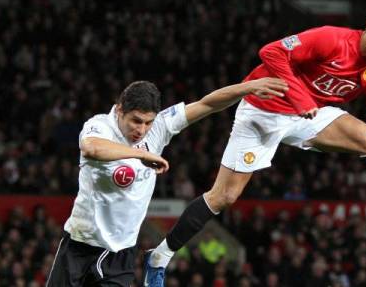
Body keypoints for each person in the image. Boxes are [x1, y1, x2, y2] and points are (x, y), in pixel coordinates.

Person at [144, 0, 366, 286]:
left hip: (309, 114)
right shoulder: (332, 38)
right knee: (223, 197)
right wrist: (298, 98)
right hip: (264, 106)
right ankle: (159, 257)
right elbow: (271, 52)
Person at [45, 78, 288, 286]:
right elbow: (92, 148)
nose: (142, 130)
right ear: (119, 110)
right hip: (79, 245)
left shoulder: (159, 127)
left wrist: (248, 87)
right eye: (136, 121)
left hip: (120, 255)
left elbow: (207, 104)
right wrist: (142, 154)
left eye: (148, 122)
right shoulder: (100, 126)